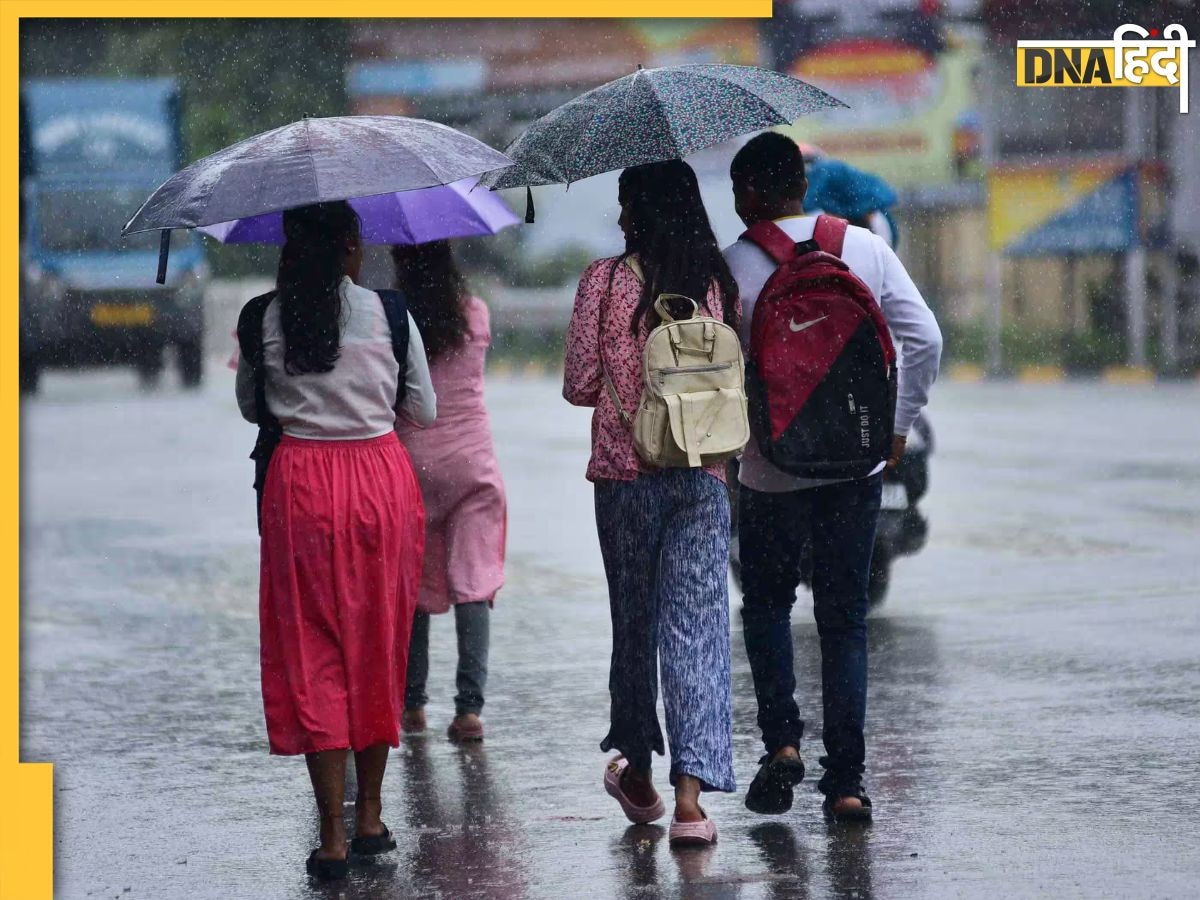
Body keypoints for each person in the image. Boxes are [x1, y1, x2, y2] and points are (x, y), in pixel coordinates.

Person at [724, 133, 942, 822]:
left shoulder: (733, 265)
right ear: (800, 184)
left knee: (766, 607)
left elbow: (716, 370)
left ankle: (783, 741)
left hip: (768, 467)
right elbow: (925, 340)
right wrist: (897, 426)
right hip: (856, 461)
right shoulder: (865, 247)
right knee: (843, 621)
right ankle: (846, 781)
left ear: (752, 193)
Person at [235, 201, 437, 880]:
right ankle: (372, 816)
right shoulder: (390, 313)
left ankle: (330, 834)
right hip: (380, 481)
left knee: (314, 647)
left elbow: (250, 407)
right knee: (379, 641)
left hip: (300, 487)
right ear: (352, 248)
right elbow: (423, 409)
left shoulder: (262, 315)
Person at [563, 160, 740, 847]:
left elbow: (580, 383)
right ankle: (691, 804)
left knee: (634, 622)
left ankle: (638, 771)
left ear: (638, 211)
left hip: (625, 472)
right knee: (697, 628)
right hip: (704, 472)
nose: (617, 217)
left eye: (623, 204)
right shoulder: (712, 281)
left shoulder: (604, 282)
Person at [392, 241, 507, 744]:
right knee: (473, 581)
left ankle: (413, 705)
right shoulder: (474, 312)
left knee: (413, 582)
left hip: (411, 458)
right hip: (471, 463)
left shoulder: (395, 318)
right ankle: (469, 710)